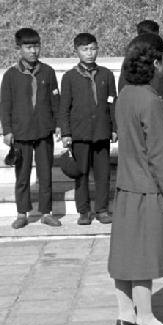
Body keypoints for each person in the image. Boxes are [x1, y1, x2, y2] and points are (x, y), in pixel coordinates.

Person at [108, 37, 163, 325]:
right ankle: (146, 318)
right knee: (143, 256)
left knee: (125, 253)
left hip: (125, 184)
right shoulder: (151, 100)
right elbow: (158, 153)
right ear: (154, 64)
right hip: (148, 187)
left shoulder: (125, 94)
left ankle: (125, 314)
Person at [0, 27, 61, 229]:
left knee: (45, 174)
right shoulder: (11, 75)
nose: (33, 51)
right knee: (22, 176)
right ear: (19, 49)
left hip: (44, 131)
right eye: (28, 47)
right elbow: (5, 105)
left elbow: (55, 101)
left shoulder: (48, 72)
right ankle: (22, 213)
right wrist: (7, 130)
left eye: (36, 46)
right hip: (21, 133)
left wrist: (58, 124)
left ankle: (46, 212)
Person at [58, 32, 116, 225]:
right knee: (81, 174)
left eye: (93, 49)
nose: (90, 53)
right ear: (76, 51)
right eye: (85, 49)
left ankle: (102, 209)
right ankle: (84, 211)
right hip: (79, 134)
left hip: (101, 132)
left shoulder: (106, 74)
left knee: (103, 174)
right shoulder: (69, 77)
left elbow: (112, 102)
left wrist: (114, 127)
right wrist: (66, 132)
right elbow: (64, 107)